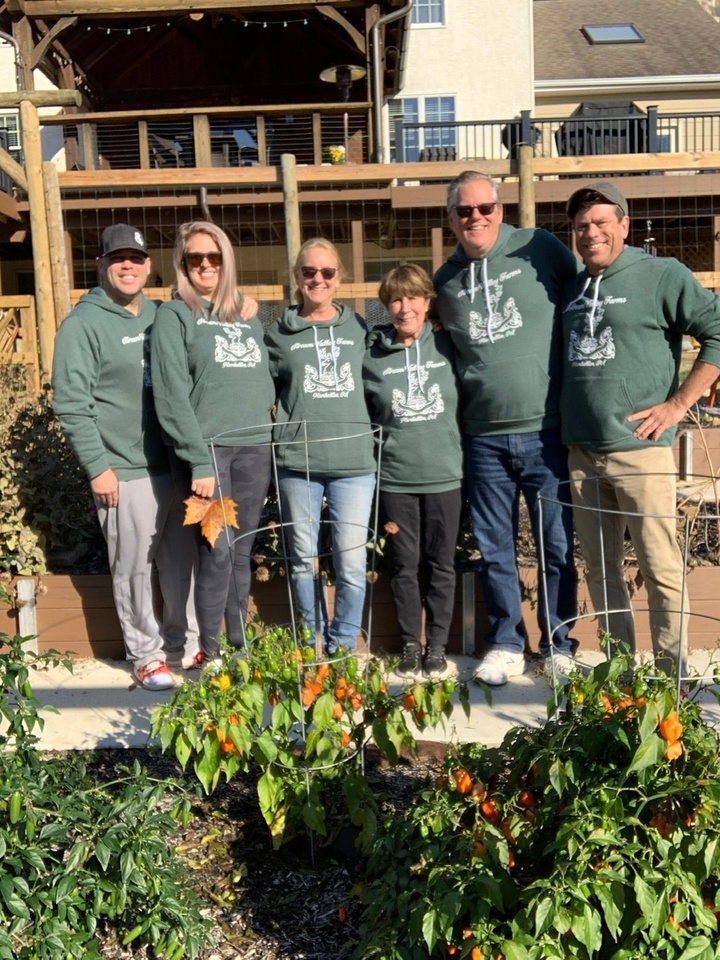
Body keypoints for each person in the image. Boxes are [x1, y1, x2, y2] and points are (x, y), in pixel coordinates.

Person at [561, 181, 720, 675]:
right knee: (601, 572)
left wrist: (678, 404)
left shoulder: (661, 275)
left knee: (660, 567)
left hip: (641, 449)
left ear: (624, 225)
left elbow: (716, 330)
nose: (592, 233)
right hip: (583, 454)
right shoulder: (571, 287)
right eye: (582, 225)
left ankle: (670, 679)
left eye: (603, 222)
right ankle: (621, 676)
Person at [433, 170, 579, 686]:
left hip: (546, 429)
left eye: (485, 208)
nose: (476, 218)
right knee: (495, 546)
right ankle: (506, 643)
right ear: (450, 218)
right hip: (482, 435)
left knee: (555, 545)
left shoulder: (540, 247)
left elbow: (584, 298)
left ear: (501, 207)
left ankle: (561, 643)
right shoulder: (445, 280)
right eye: (464, 211)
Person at [52, 223, 199, 690]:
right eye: (117, 259)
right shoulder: (83, 325)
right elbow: (72, 404)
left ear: (148, 266)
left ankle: (185, 645)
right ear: (101, 266)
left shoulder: (162, 315)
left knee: (182, 564)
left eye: (135, 258)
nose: (127, 266)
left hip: (174, 465)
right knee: (134, 567)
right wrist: (98, 468)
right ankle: (146, 654)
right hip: (124, 471)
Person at [151, 221, 274, 663]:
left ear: (226, 261)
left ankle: (238, 651)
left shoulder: (244, 312)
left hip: (255, 449)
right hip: (208, 456)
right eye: (194, 259)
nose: (205, 265)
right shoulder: (176, 315)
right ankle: (210, 652)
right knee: (216, 553)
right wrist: (197, 460)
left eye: (214, 257)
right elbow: (170, 394)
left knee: (240, 554)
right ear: (182, 265)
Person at [264, 238, 375, 654]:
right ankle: (310, 641)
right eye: (309, 272)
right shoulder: (277, 334)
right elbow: (261, 390)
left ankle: (343, 643)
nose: (318, 279)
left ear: (339, 278)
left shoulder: (359, 328)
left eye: (327, 272)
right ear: (297, 277)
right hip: (299, 462)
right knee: (301, 562)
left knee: (350, 563)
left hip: (353, 463)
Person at [363, 264, 462, 679]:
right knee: (403, 565)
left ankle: (436, 646)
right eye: (395, 300)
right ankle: (409, 644)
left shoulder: (449, 346)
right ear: (386, 306)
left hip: (445, 475)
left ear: (428, 303)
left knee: (441, 564)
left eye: (413, 298)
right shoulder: (371, 356)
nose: (405, 308)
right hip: (396, 479)